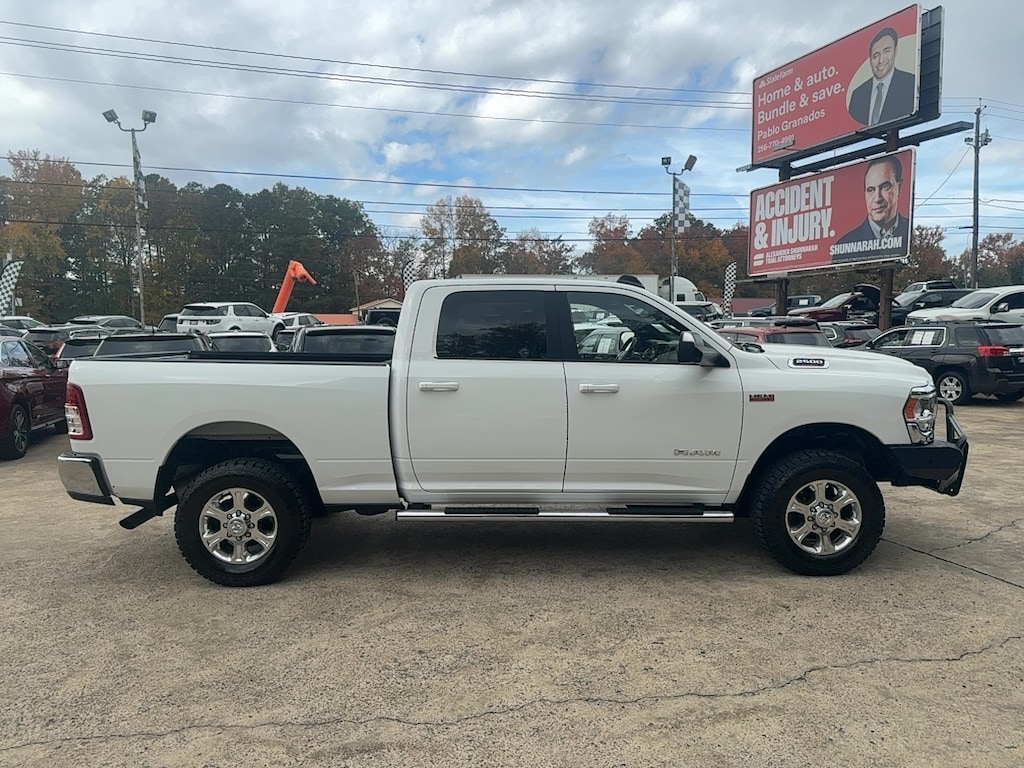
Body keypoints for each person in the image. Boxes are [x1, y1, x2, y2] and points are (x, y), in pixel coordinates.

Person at [831, 155, 910, 264]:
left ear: (899, 187)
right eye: (871, 190)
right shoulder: (843, 246)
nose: (877, 198)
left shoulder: (912, 233)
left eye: (885, 187)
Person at [847, 27, 916, 126]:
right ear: (870, 60)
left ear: (895, 50)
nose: (881, 60)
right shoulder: (858, 95)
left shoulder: (910, 83)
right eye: (876, 55)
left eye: (886, 51)